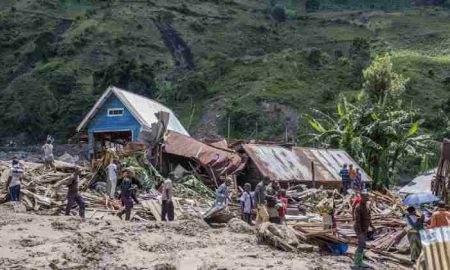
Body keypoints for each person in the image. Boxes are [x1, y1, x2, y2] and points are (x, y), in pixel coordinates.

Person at [353, 190, 374, 268]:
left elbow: (368, 217)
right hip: (359, 229)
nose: (367, 199)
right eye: (365, 198)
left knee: (362, 245)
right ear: (361, 197)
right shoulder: (358, 207)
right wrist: (360, 232)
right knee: (361, 244)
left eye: (367, 198)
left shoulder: (366, 206)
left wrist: (372, 226)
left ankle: (359, 261)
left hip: (365, 228)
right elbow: (357, 221)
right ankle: (356, 263)